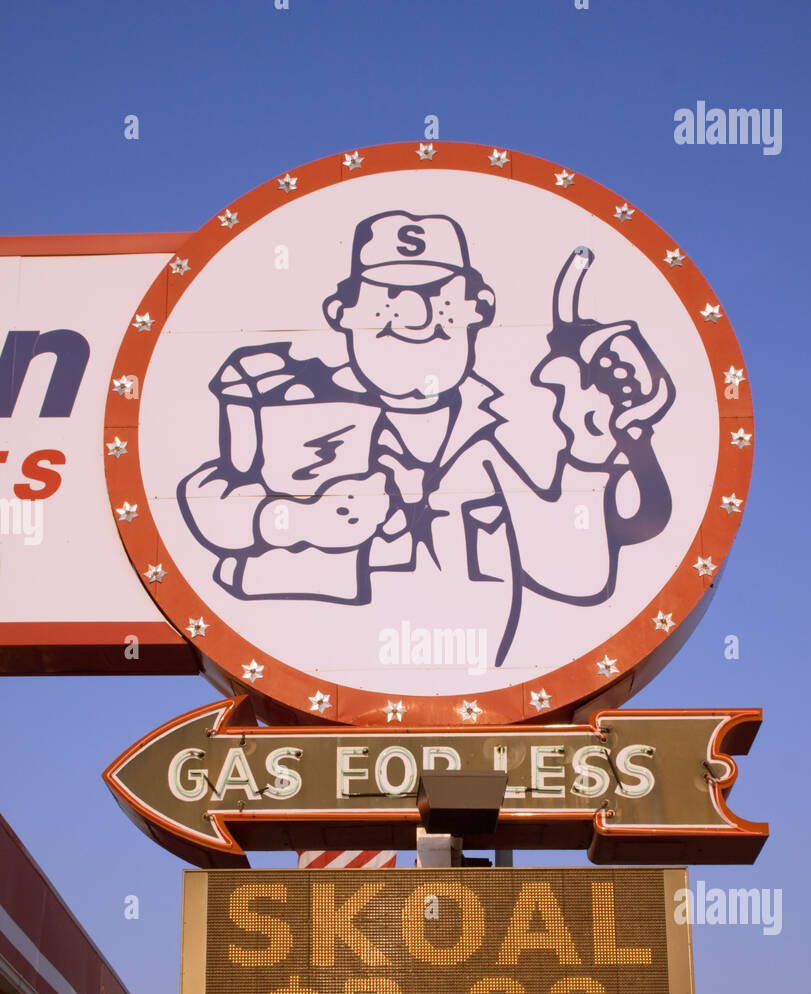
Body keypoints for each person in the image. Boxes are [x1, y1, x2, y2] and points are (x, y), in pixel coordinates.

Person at [178, 214, 673, 669]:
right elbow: (206, 498)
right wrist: (290, 519)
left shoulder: (494, 437)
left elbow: (572, 578)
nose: (416, 318)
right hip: (312, 669)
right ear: (341, 312)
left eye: (442, 304)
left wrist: (591, 446)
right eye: (388, 303)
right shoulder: (283, 396)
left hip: (480, 690)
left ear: (479, 309)